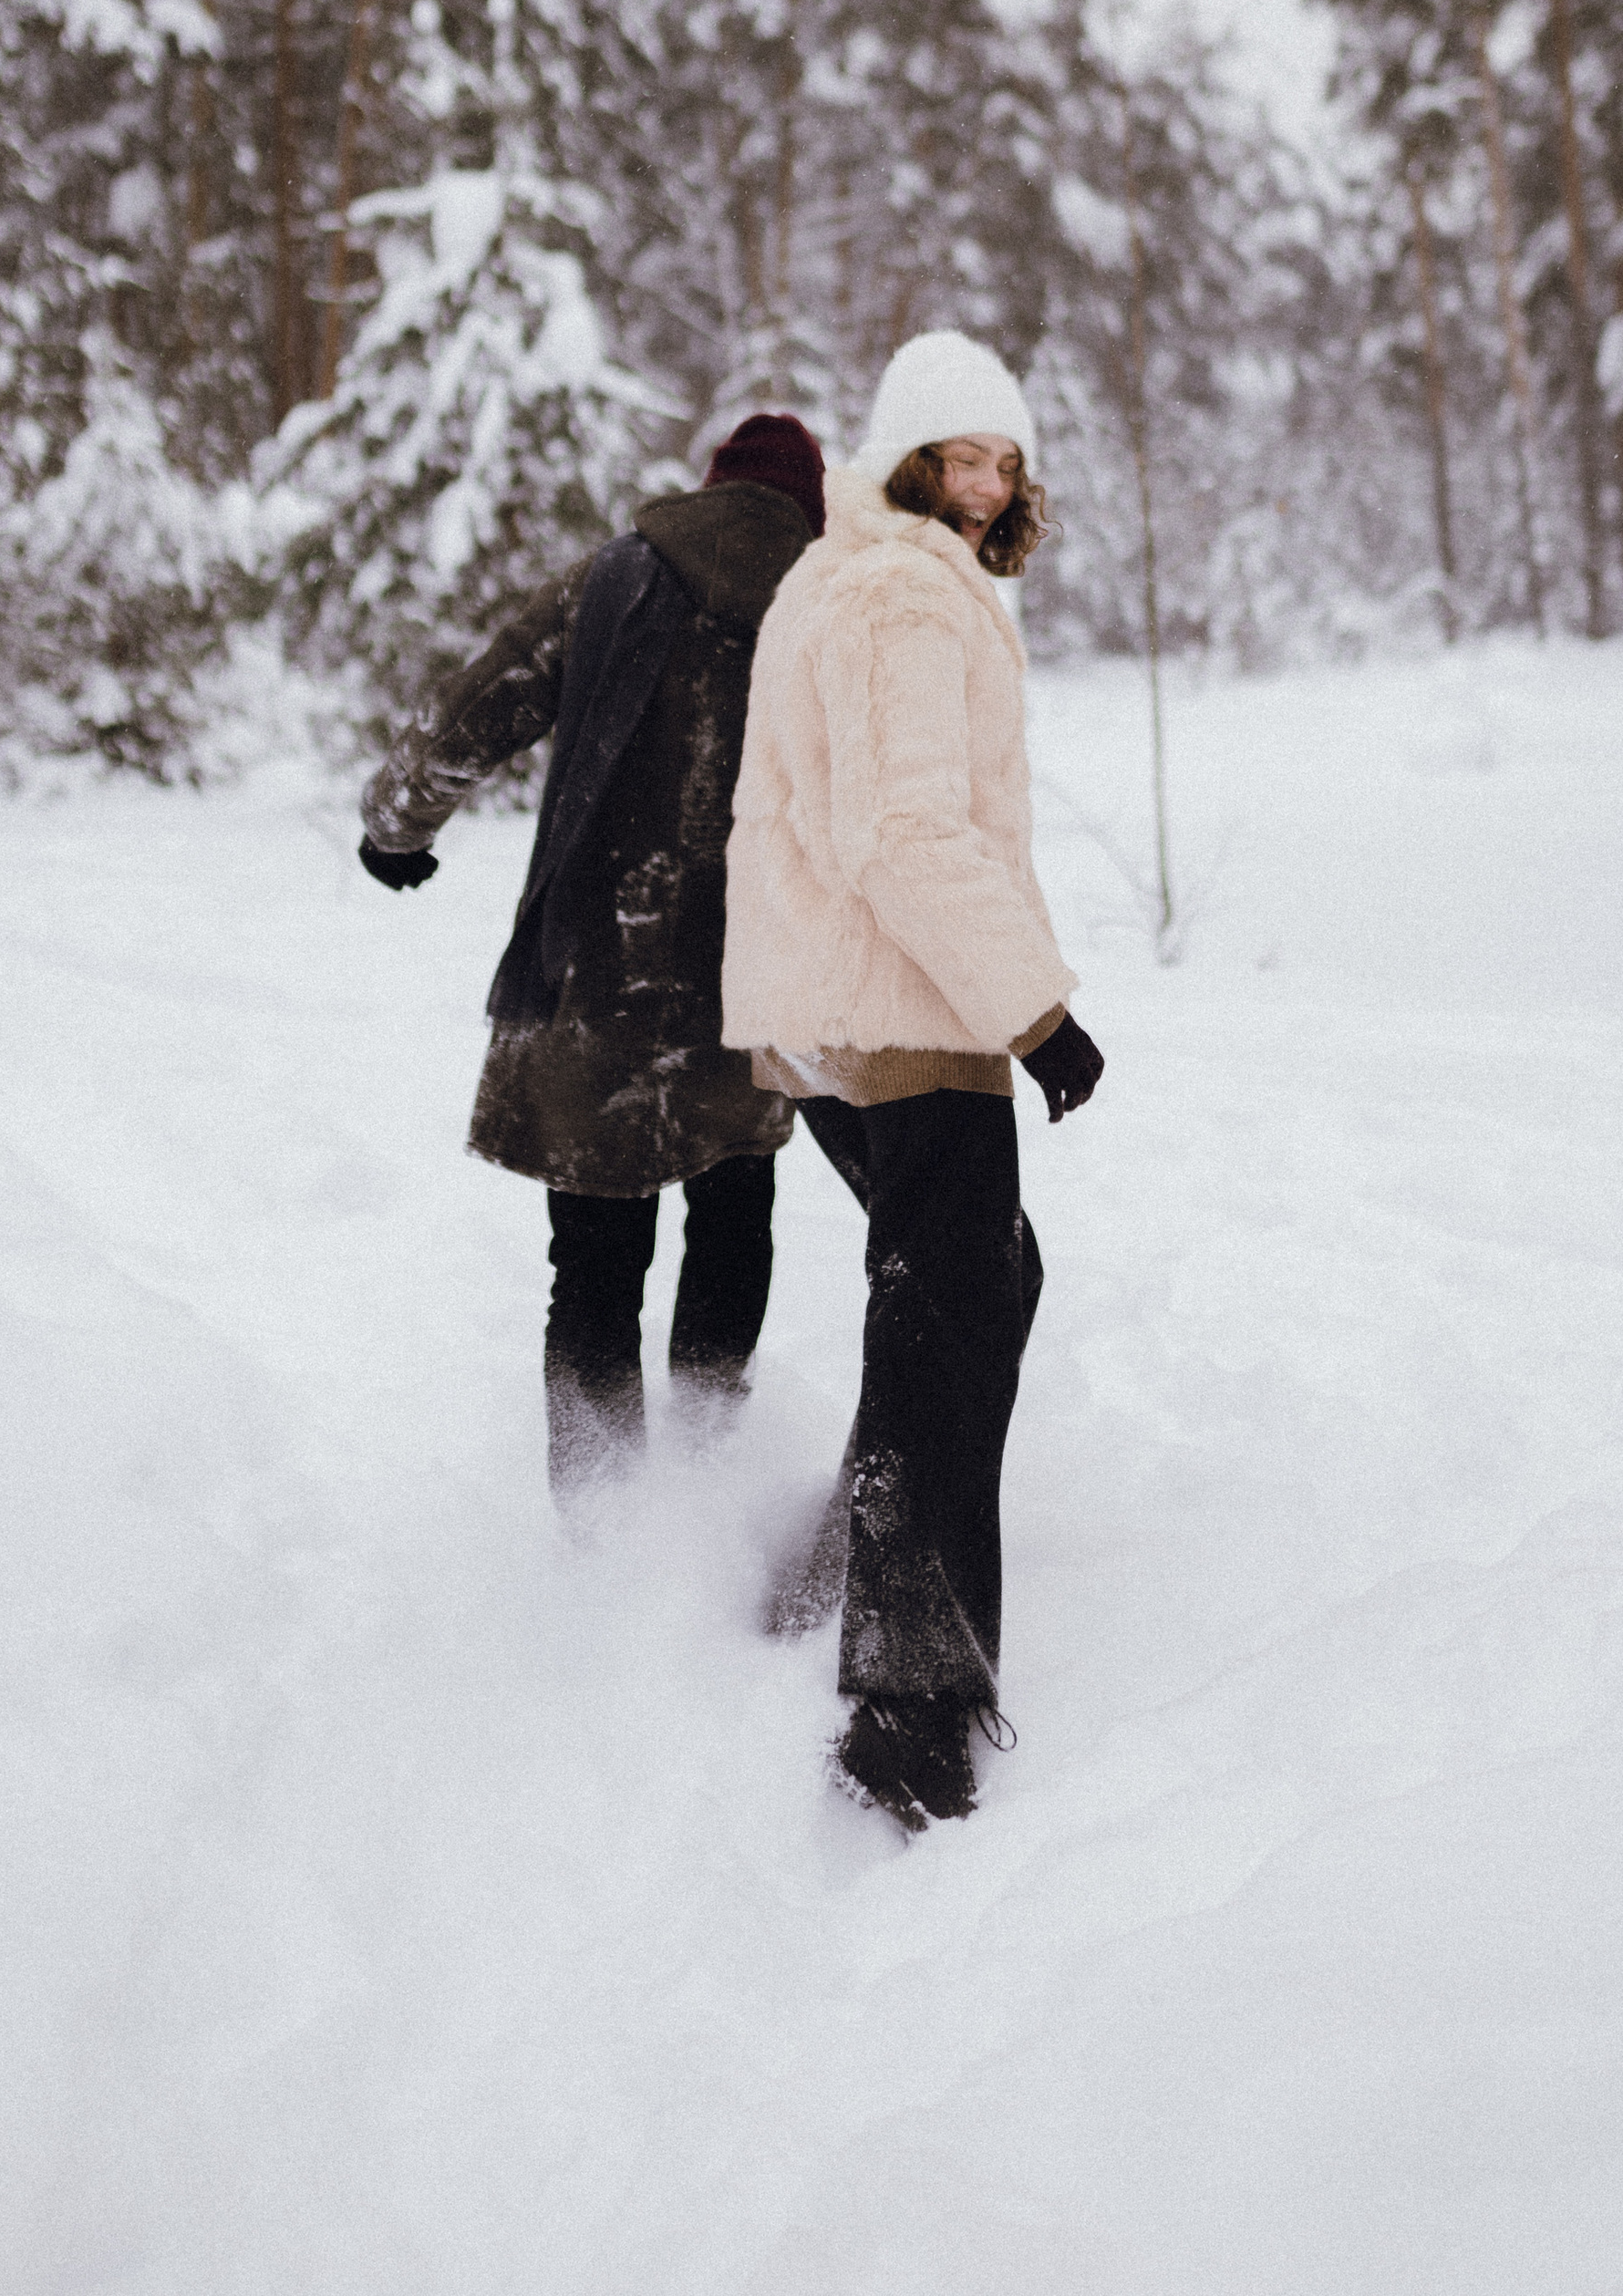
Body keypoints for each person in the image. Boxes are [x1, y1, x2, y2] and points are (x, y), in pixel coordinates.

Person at [721, 333, 1103, 1828]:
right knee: (948, 1310)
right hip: (911, 1004)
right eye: (957, 455)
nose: (983, 482)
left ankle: (837, 1561)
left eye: (1003, 458)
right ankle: (907, 1704)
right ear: (903, 462)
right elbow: (905, 834)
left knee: (973, 1278)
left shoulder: (872, 578)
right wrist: (1040, 1014)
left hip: (856, 997)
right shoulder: (899, 590)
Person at [360, 413, 827, 1495]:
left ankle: (603, 1535)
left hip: (599, 980)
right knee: (732, 1224)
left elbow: (479, 702)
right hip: (753, 984)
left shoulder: (617, 579)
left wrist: (396, 826)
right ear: (806, 505)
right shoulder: (825, 605)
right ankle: (713, 1491)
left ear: (710, 486)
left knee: (594, 1271)